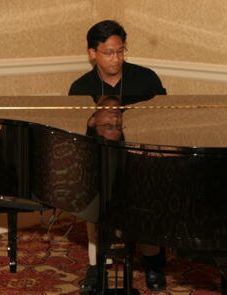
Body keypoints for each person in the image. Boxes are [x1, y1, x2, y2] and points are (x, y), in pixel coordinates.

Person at [69, 20, 167, 293]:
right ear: (92, 53)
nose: (116, 59)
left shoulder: (146, 79)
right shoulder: (80, 87)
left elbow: (166, 120)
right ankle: (96, 266)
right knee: (90, 192)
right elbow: (78, 134)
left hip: (143, 157)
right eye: (108, 53)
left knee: (148, 194)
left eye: (121, 51)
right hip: (100, 161)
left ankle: (153, 260)